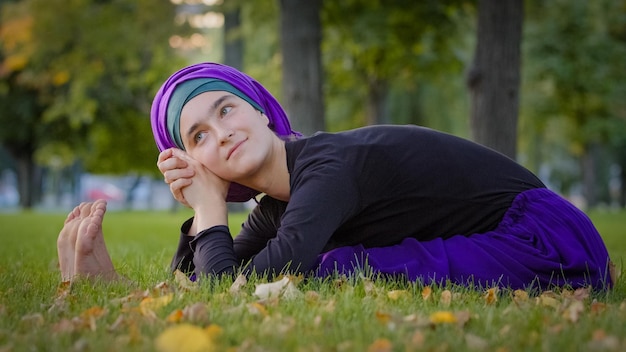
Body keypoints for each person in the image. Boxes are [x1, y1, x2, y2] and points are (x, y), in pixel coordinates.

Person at [57, 62, 615, 290]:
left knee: (333, 266)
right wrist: (124, 287)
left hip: (542, 237)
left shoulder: (326, 166)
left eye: (225, 110)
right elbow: (222, 282)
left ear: (261, 111)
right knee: (324, 265)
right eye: (198, 136)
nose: (220, 133)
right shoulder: (277, 203)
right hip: (500, 237)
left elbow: (254, 286)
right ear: (194, 161)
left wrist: (209, 209)